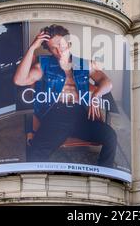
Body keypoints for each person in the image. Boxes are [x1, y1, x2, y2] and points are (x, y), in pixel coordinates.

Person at [13, 24, 117, 167]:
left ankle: (104, 174)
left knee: (110, 136)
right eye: (53, 48)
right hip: (56, 115)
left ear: (68, 43)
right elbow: (19, 80)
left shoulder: (84, 64)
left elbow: (107, 83)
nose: (58, 50)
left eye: (60, 45)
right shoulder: (44, 65)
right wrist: (32, 48)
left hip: (81, 115)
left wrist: (96, 96)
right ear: (49, 50)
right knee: (36, 155)